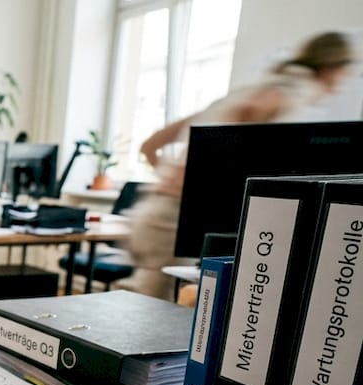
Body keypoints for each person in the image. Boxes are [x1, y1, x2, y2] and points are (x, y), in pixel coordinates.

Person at [124, 31, 356, 300]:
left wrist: (181, 179)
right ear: (333, 67)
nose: (344, 82)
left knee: (160, 309)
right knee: (157, 316)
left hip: (158, 214)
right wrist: (198, 180)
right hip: (173, 220)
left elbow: (151, 145)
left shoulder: (251, 90)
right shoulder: (296, 88)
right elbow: (249, 111)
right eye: (346, 71)